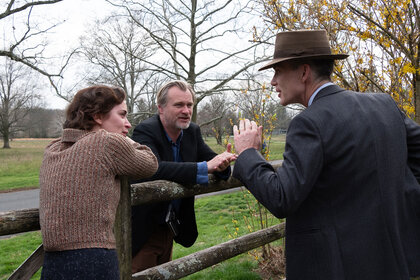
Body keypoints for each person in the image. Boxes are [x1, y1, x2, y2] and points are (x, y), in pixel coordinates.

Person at [232, 29, 420, 279]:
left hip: (337, 267)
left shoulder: (308, 123)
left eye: (278, 71)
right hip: (391, 261)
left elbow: (282, 197)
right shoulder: (384, 104)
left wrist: (247, 153)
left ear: (303, 72)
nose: (273, 81)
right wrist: (400, 199)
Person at [39, 85, 158, 279]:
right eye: (122, 115)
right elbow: (150, 164)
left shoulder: (52, 148)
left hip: (52, 263)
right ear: (97, 116)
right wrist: (127, 141)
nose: (127, 124)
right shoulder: (106, 143)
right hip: (93, 261)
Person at [131, 80, 236, 273]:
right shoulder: (145, 131)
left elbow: (211, 159)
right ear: (160, 108)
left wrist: (222, 163)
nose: (186, 110)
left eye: (189, 105)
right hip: (145, 229)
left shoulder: (191, 132)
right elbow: (154, 168)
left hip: (171, 227)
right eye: (178, 105)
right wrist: (204, 168)